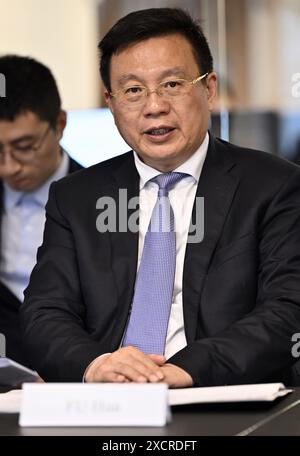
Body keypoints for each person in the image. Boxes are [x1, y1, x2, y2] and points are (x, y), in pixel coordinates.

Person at [21, 8, 300, 387]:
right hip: (107, 400)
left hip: (218, 394)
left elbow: (288, 309)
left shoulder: (273, 186)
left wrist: (186, 370)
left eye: (172, 84)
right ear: (111, 103)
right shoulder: (77, 197)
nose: (154, 106)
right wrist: (95, 365)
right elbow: (44, 313)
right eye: (133, 90)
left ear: (209, 88)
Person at [0, 55, 82, 366]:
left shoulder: (107, 199)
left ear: (59, 124)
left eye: (24, 146)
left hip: (75, 374)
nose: (9, 166)